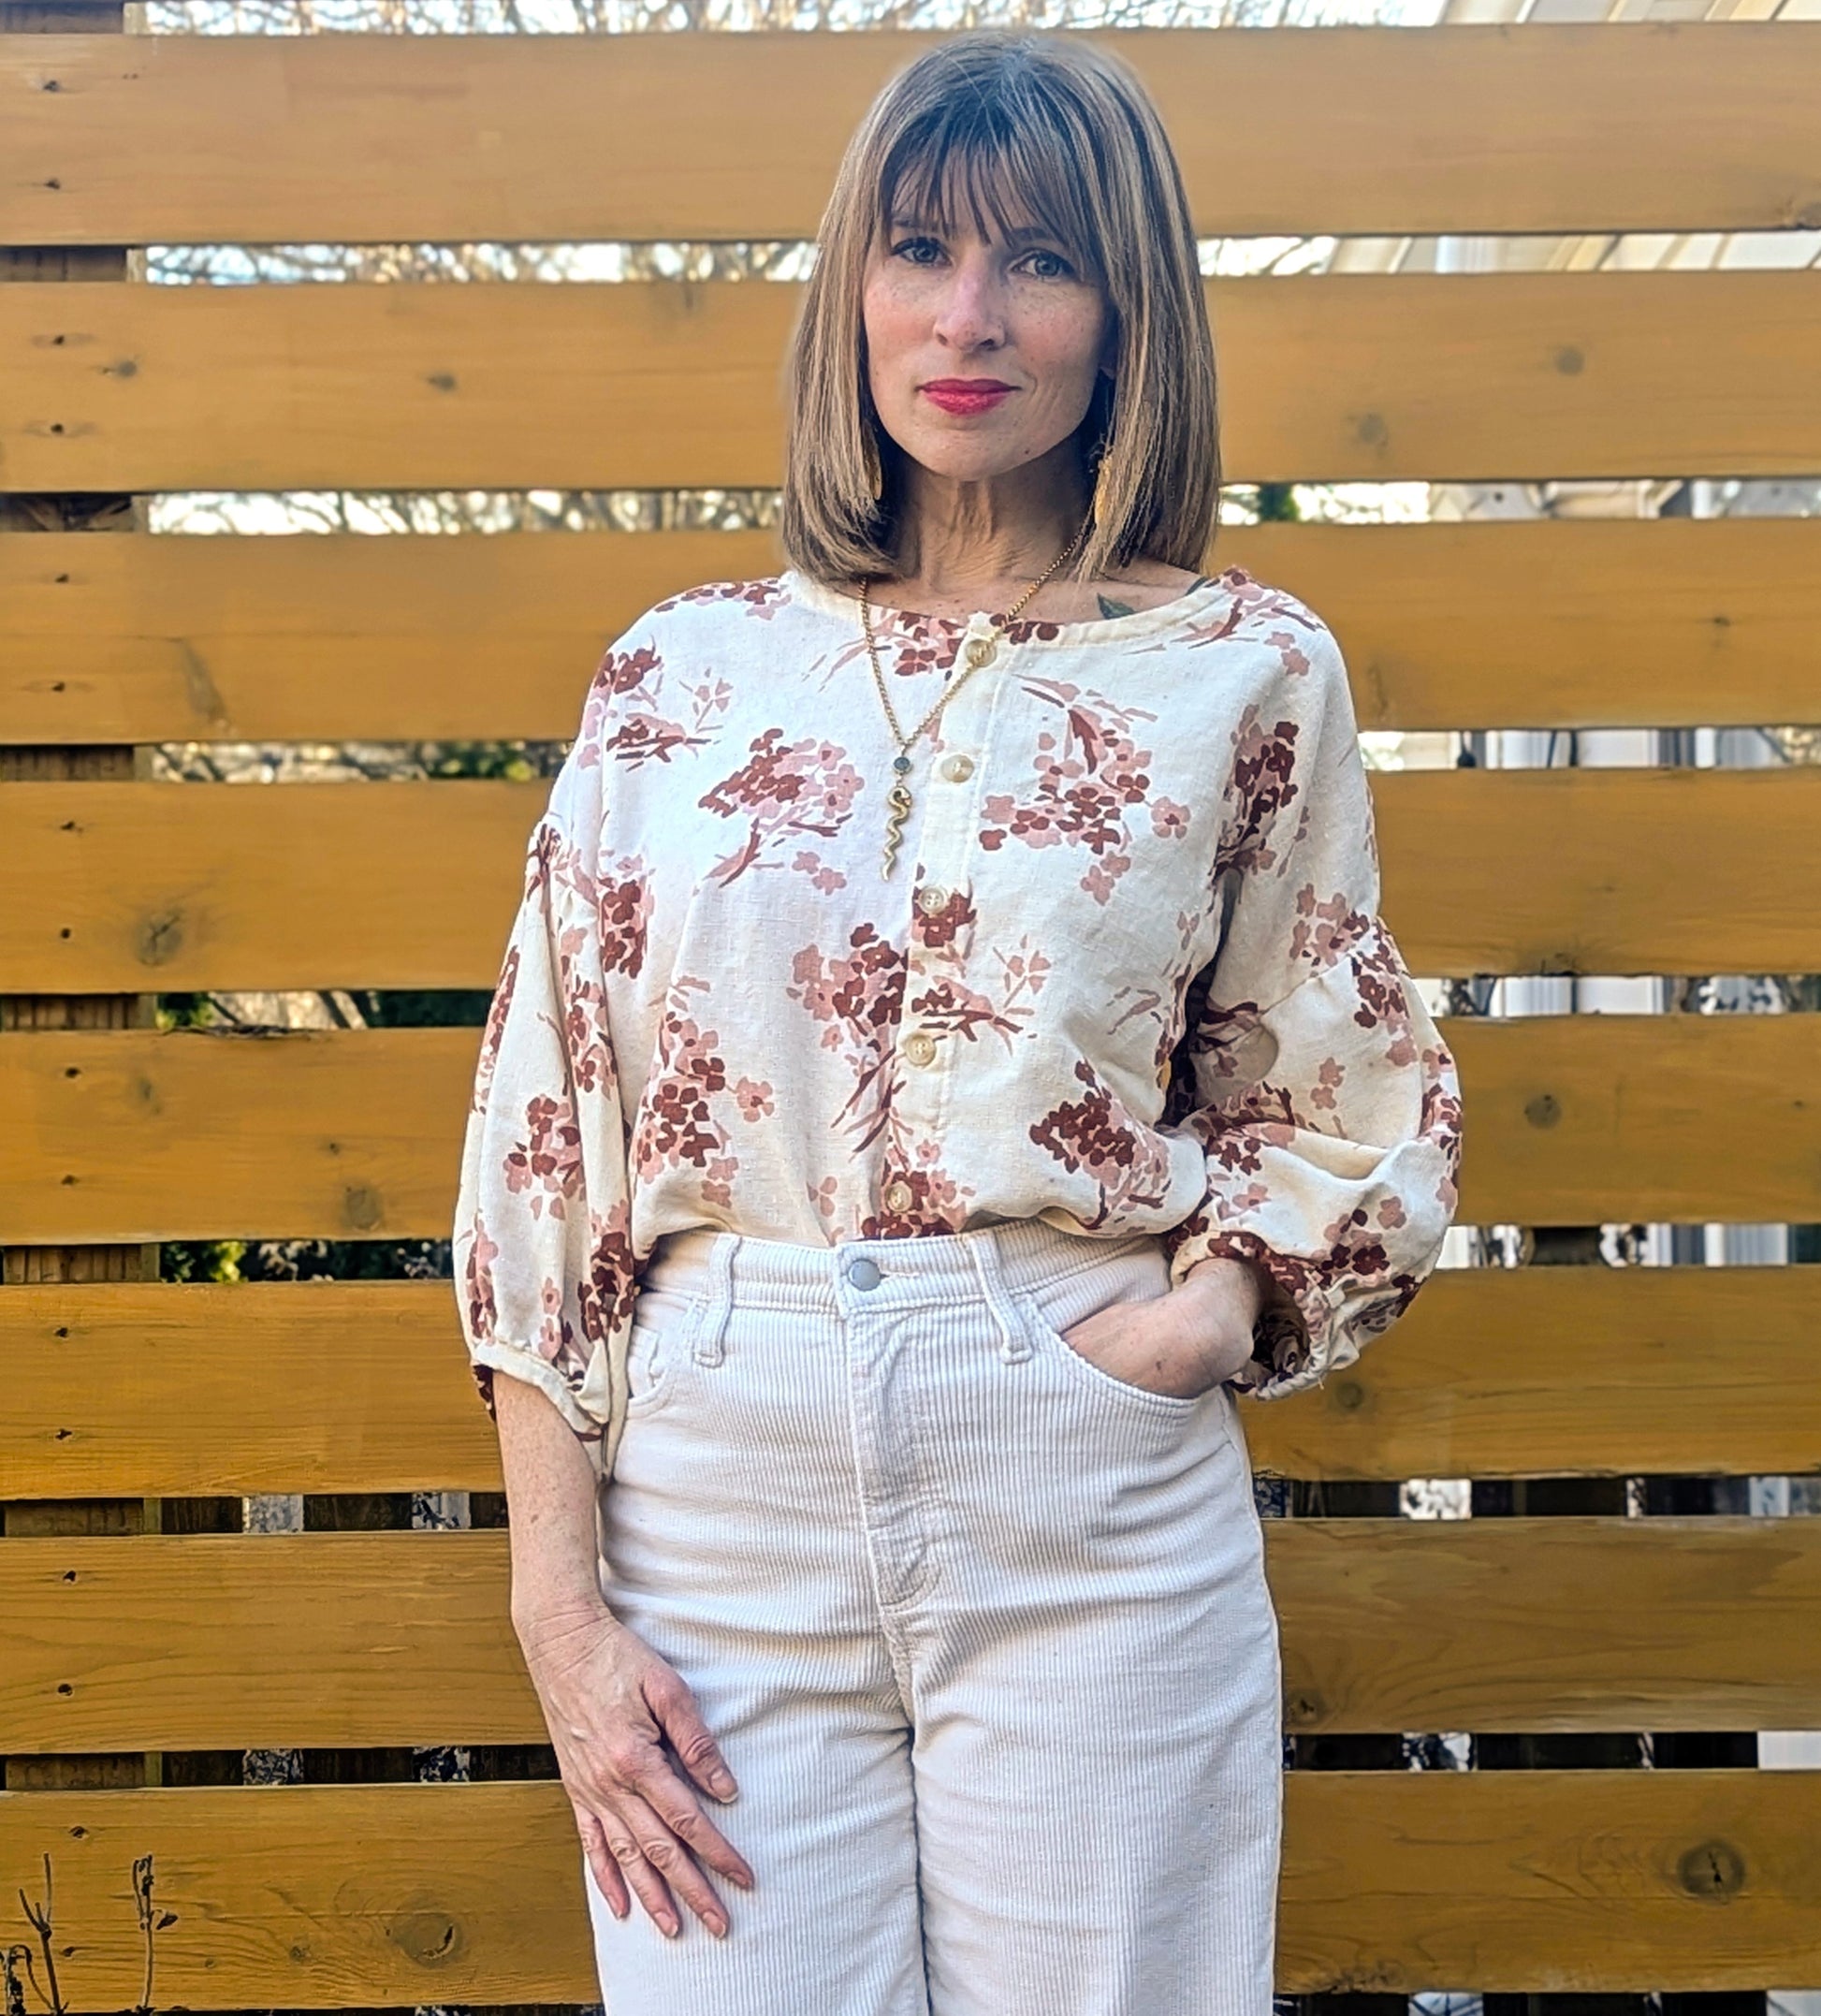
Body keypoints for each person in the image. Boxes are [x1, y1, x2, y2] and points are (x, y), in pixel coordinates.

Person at [452, 26, 1463, 2016]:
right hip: (716, 1484)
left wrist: (1194, 1328)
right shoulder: (681, 677)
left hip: (1081, 1467)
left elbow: (1334, 1077)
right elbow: (547, 1142)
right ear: (852, 288)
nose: (968, 317)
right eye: (918, 250)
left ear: (1128, 310)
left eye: (1041, 260)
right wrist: (556, 1607)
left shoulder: (1242, 667)